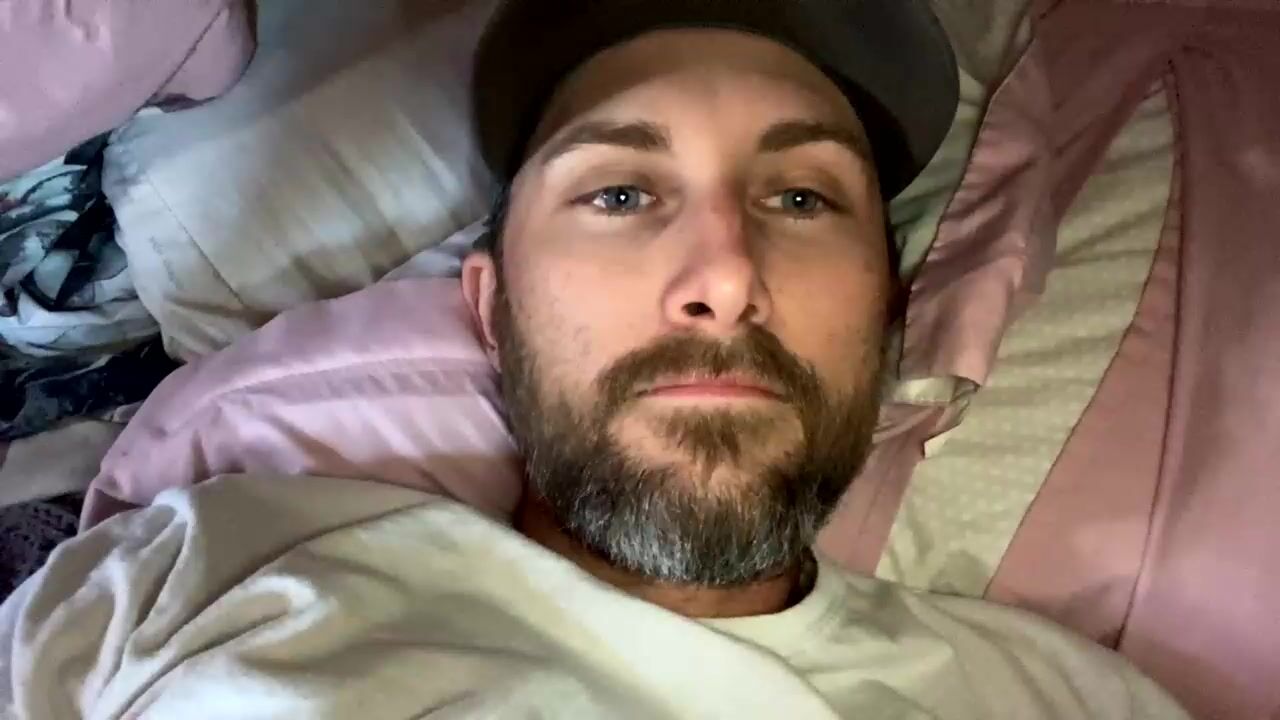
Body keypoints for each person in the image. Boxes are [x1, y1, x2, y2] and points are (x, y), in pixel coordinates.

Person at [0, 1, 1189, 718]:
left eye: (800, 196)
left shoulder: (1066, 704)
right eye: (619, 193)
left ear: (888, 318)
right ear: (492, 308)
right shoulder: (202, 571)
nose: (724, 276)